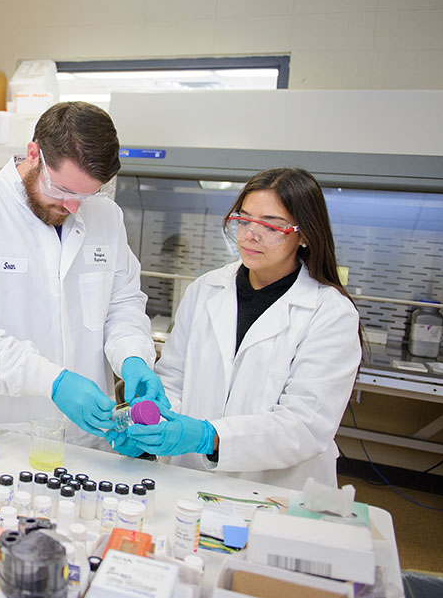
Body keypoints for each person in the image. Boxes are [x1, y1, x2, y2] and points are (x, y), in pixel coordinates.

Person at [0, 101, 162, 448]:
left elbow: (122, 304)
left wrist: (133, 356)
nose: (73, 207)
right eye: (63, 190)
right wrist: (52, 380)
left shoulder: (106, 217)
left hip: (85, 439)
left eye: (87, 194)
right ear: (33, 153)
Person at [112, 168, 361, 489]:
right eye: (243, 220)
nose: (250, 235)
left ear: (305, 234)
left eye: (270, 225)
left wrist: (210, 438)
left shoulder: (331, 313)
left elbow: (305, 425)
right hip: (190, 480)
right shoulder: (205, 290)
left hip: (275, 491)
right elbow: (173, 382)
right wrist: (149, 427)